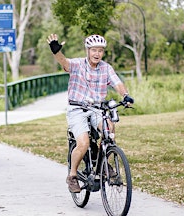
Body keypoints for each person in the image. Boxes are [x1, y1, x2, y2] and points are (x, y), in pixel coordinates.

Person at [47, 33, 134, 193]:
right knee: (84, 143)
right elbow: (64, 63)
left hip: (96, 109)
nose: (97, 54)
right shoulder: (78, 64)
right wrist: (56, 51)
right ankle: (72, 176)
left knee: (109, 128)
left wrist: (125, 95)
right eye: (94, 50)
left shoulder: (106, 68)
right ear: (87, 50)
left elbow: (117, 83)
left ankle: (102, 161)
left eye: (100, 50)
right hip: (77, 109)